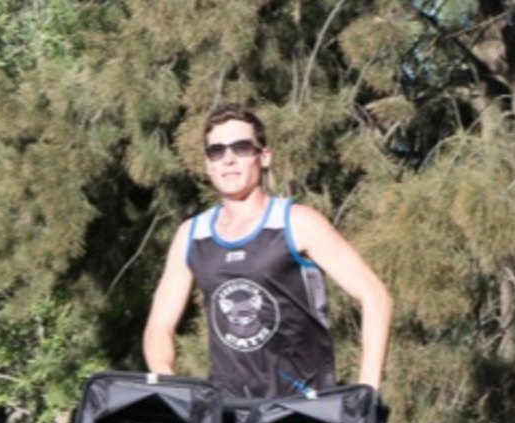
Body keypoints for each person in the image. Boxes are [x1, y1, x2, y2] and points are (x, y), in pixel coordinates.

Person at [143, 103, 393, 398]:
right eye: (217, 151)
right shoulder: (192, 235)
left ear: (264, 157)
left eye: (241, 148)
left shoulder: (297, 222)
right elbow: (159, 326)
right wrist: (170, 386)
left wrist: (368, 388)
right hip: (228, 412)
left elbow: (376, 296)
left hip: (303, 410)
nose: (229, 159)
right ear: (208, 163)